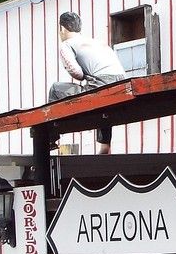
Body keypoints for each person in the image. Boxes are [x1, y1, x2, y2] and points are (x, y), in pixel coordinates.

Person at [48, 12, 126, 154]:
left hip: (101, 84)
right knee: (105, 108)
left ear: (62, 29)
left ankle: (51, 138)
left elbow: (76, 73)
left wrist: (85, 75)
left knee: (55, 88)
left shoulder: (67, 44)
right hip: (122, 82)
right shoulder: (97, 42)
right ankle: (105, 145)